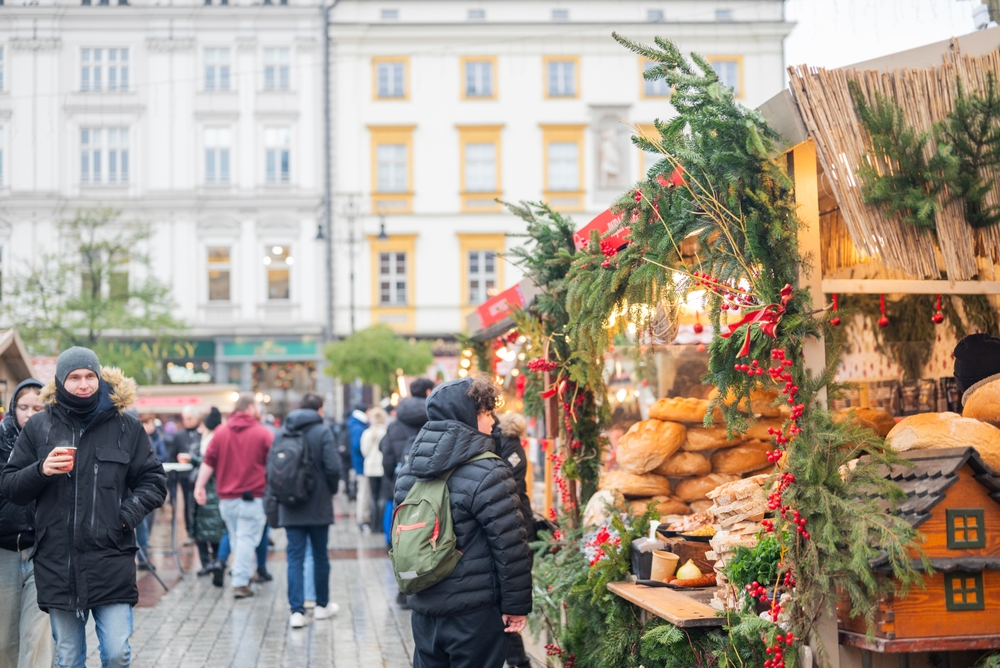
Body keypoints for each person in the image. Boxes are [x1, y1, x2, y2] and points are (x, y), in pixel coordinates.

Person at [0, 347, 167, 667]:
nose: (83, 384)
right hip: (57, 562)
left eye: (90, 376)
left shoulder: (126, 427)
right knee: (67, 657)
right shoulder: (39, 426)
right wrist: (41, 470)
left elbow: (154, 482)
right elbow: (10, 486)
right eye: (74, 377)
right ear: (61, 381)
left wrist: (124, 517)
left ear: (99, 377)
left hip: (111, 557)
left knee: (117, 653)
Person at [394, 375, 532, 668]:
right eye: (487, 412)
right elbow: (510, 546)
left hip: (424, 607)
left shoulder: (409, 472)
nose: (493, 421)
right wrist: (516, 606)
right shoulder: (489, 470)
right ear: (468, 416)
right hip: (475, 613)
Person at [268, 392, 341, 628]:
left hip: (290, 503)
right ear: (319, 409)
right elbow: (333, 467)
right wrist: (330, 490)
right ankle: (321, 606)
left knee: (294, 558)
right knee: (320, 555)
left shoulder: (282, 432)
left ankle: (296, 611)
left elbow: (272, 468)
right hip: (318, 503)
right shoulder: (322, 431)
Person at [194, 393, 272, 599]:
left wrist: (199, 486)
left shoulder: (221, 432)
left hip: (226, 498)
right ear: (250, 408)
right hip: (252, 497)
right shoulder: (263, 433)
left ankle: (245, 572)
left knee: (238, 538)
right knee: (246, 538)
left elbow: (208, 461)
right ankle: (240, 582)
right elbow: (272, 465)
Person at [0, 378, 52, 668]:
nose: (30, 414)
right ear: (13, 408)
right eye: (23, 407)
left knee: (36, 637)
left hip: (41, 552)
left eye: (37, 408)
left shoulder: (56, 442)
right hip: (4, 550)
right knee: (4, 640)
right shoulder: (1, 440)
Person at [380, 378, 432, 606]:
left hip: (402, 484)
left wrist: (395, 478)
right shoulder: (433, 418)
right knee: (430, 533)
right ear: (428, 391)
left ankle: (404, 590)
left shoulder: (395, 423)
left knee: (403, 536)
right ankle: (428, 584)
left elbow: (386, 457)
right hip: (431, 485)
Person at [493, 412, 537, 668]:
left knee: (505, 597)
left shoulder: (504, 443)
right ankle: (518, 660)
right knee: (506, 596)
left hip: (513, 522)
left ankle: (518, 660)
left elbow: (512, 487)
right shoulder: (509, 443)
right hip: (515, 522)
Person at [191, 407, 226, 583]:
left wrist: (192, 460)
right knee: (213, 529)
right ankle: (216, 561)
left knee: (209, 530)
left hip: (211, 489)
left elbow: (209, 462)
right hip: (214, 490)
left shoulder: (212, 438)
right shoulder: (217, 435)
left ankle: (211, 562)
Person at [136, 413, 168, 570]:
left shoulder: (150, 437)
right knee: (142, 523)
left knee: (143, 523)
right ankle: (142, 557)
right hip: (140, 487)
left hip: (143, 486)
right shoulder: (141, 437)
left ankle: (143, 556)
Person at [167, 406, 201, 544]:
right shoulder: (179, 436)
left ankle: (201, 533)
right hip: (185, 477)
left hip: (200, 475)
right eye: (185, 418)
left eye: (190, 418)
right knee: (188, 504)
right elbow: (172, 456)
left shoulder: (202, 433)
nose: (187, 421)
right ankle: (189, 532)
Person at [360, 407, 387, 533]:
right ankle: (381, 524)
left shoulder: (367, 433)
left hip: (370, 468)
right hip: (382, 467)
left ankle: (373, 524)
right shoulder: (386, 432)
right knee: (382, 497)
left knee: (373, 497)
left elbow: (364, 451)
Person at [347, 404, 370, 530]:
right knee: (363, 493)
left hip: (360, 464)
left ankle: (363, 517)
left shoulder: (356, 424)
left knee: (363, 492)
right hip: (362, 465)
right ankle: (362, 518)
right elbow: (357, 446)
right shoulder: (358, 426)